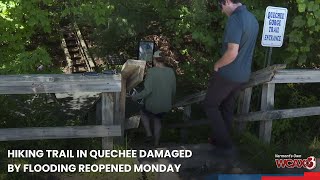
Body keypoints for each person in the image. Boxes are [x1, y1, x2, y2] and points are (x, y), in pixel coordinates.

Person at [204, 0, 259, 155]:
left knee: (210, 105)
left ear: (227, 2)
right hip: (243, 76)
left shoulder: (235, 19)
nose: (221, 11)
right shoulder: (253, 19)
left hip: (228, 74)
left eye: (221, 6)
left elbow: (232, 52)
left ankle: (225, 144)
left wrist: (217, 65)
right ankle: (219, 141)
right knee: (226, 108)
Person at [132, 50, 176, 146]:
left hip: (153, 105)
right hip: (166, 104)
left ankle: (149, 134)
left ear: (155, 60)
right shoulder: (171, 71)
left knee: (142, 112)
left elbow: (147, 91)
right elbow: (173, 90)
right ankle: (156, 143)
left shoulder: (151, 72)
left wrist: (135, 97)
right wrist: (171, 101)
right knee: (157, 119)